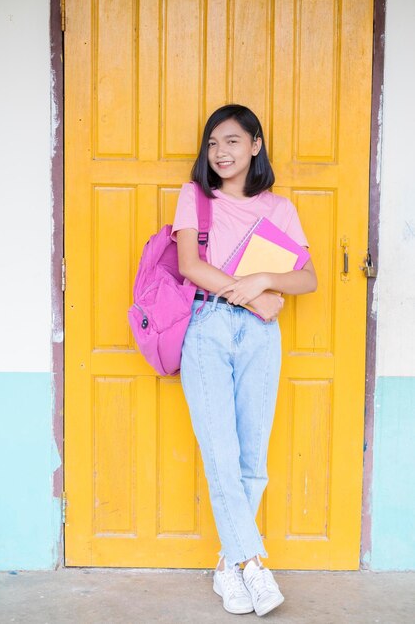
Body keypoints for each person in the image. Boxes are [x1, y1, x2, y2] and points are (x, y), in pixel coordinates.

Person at [172, 104, 317, 617]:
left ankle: (226, 567)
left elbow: (308, 278)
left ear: (255, 145)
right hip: (207, 329)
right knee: (222, 454)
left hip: (261, 338)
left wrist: (265, 281)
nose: (221, 153)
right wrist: (252, 296)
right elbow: (190, 266)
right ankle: (251, 562)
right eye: (213, 144)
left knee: (253, 457)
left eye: (232, 141)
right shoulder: (195, 198)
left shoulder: (278, 208)